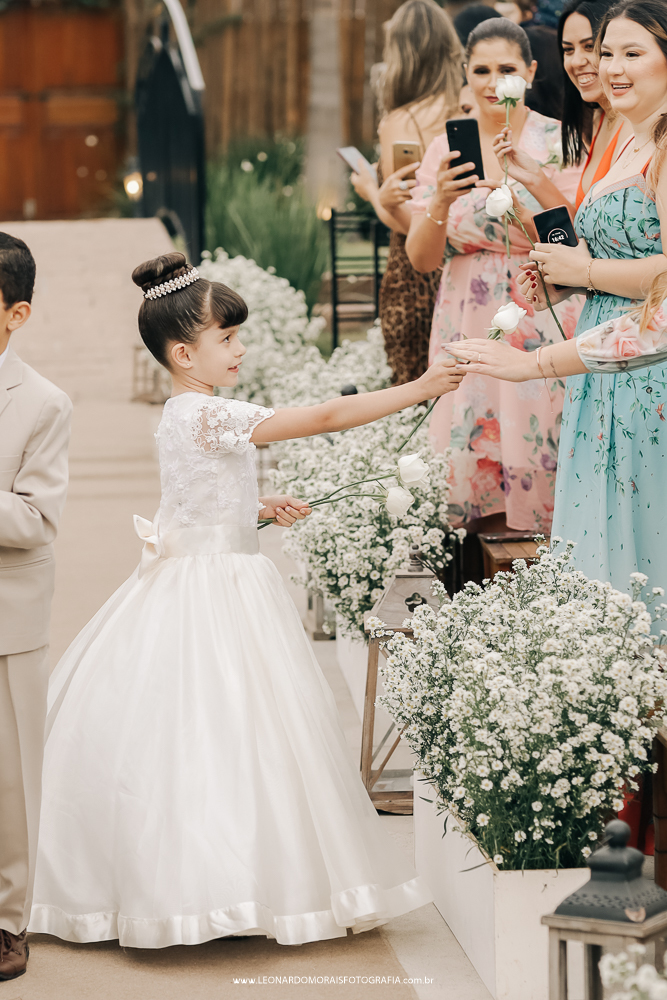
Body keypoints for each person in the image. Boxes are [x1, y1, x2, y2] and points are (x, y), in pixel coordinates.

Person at [28, 252, 463, 948]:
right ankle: (216, 890)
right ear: (183, 353)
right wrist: (421, 387)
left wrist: (253, 507)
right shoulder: (210, 413)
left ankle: (215, 887)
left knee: (208, 731)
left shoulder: (182, 412)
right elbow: (325, 415)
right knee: (223, 728)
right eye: (226, 338)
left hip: (201, 573)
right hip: (216, 591)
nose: (239, 349)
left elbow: (187, 498)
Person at [447, 0, 667, 601]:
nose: (611, 67)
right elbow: (619, 251)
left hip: (646, 371)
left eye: (633, 53)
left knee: (643, 552)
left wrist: (582, 274)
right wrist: (567, 278)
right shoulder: (626, 137)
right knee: (603, 547)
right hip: (602, 372)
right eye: (606, 52)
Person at [405, 17, 582, 536]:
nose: (492, 82)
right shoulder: (445, 147)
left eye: (506, 69)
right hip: (466, 313)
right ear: (465, 72)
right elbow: (421, 258)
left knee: (537, 435)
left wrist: (524, 197)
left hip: (539, 309)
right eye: (480, 69)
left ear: (530, 70)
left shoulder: (559, 140)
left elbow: (572, 237)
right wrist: (441, 199)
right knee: (472, 441)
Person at [0, 234, 72, 981]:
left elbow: (34, 519)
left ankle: (7, 918)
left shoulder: (43, 403)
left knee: (10, 777)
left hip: (6, 615)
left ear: (15, 314)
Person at [351, 0, 462, 385]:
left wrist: (371, 191)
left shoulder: (401, 121)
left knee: (416, 391)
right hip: (467, 271)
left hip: (415, 278)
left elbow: (408, 222)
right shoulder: (469, 110)